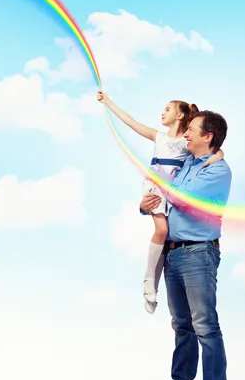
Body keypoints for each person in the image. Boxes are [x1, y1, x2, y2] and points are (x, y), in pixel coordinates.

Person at [140, 110, 231, 380]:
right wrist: (145, 204)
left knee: (205, 326)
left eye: (191, 129)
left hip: (198, 253)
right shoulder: (192, 162)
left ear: (208, 136)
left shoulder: (217, 171)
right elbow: (163, 192)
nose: (186, 134)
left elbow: (182, 197)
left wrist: (156, 186)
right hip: (174, 253)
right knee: (182, 324)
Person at [96, 92, 223, 313]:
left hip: (175, 189)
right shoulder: (159, 136)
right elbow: (131, 122)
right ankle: (149, 283)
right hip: (156, 185)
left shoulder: (188, 141)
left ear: (181, 115)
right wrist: (107, 101)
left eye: (167, 109)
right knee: (161, 230)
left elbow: (216, 149)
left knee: (170, 234)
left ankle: (160, 283)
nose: (162, 112)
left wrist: (215, 158)